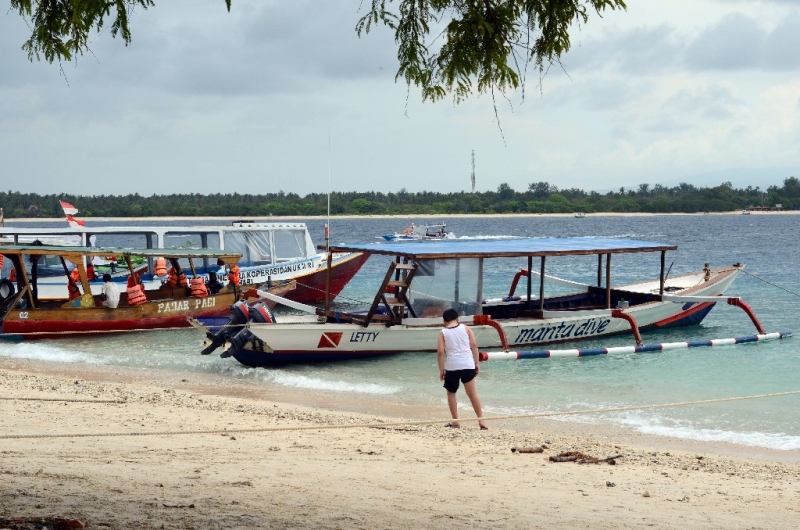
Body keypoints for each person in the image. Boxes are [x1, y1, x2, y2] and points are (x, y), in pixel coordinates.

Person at [437, 308, 487, 430]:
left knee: (451, 394)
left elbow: (440, 353)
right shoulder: (466, 328)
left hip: (452, 367)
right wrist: (477, 364)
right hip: (467, 364)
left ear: (444, 321)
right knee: (472, 394)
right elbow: (474, 346)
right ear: (457, 319)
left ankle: (456, 421)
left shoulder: (442, 333)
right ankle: (481, 421)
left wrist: (441, 370)